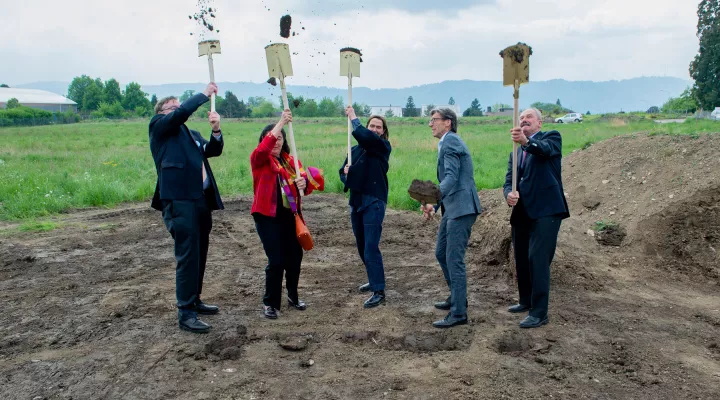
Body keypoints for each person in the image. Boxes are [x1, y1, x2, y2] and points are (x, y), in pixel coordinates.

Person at [149, 82, 224, 334]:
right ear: (161, 113)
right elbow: (180, 115)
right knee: (187, 255)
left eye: (178, 106)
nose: (177, 110)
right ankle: (186, 312)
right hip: (179, 201)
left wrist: (215, 130)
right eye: (171, 107)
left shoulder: (191, 135)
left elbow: (213, 151)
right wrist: (204, 94)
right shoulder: (159, 128)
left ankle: (195, 299)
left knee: (200, 252)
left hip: (200, 200)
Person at [250, 109, 324, 319]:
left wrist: (304, 182)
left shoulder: (292, 162)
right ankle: (270, 303)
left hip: (290, 217)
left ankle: (293, 296)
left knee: (295, 257)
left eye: (280, 139)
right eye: (272, 138)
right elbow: (264, 148)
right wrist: (281, 123)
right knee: (276, 260)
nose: (276, 141)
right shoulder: (259, 160)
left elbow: (305, 190)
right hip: (267, 217)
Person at [503, 108, 569, 329]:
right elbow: (508, 181)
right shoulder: (515, 153)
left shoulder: (551, 138)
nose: (523, 121)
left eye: (528, 117)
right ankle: (526, 301)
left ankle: (539, 312)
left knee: (538, 259)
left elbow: (544, 150)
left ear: (539, 123)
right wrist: (508, 195)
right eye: (521, 118)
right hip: (522, 211)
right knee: (521, 258)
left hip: (547, 210)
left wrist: (525, 142)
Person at [420, 108, 482, 328]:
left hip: (462, 208)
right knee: (441, 253)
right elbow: (449, 179)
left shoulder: (451, 141)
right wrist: (435, 205)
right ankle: (456, 297)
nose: (430, 124)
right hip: (452, 207)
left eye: (434, 120)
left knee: (454, 259)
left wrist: (432, 198)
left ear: (448, 123)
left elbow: (452, 177)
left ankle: (458, 313)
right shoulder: (446, 142)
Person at [339, 107, 392, 308]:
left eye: (379, 127)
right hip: (357, 202)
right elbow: (342, 174)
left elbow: (367, 138)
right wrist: (345, 173)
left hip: (374, 201)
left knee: (371, 246)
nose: (375, 129)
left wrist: (354, 118)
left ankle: (379, 290)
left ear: (383, 132)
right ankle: (373, 277)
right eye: (372, 126)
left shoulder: (382, 147)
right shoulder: (353, 151)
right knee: (362, 245)